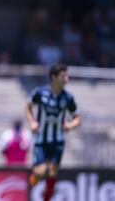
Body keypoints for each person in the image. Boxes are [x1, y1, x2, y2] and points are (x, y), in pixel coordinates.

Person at [25, 64, 81, 201]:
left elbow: (77, 118)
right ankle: (33, 179)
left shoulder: (68, 98)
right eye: (63, 76)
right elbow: (27, 106)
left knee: (52, 172)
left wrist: (70, 125)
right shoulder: (40, 93)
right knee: (41, 171)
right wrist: (32, 122)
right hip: (41, 140)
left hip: (58, 140)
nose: (67, 79)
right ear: (53, 77)